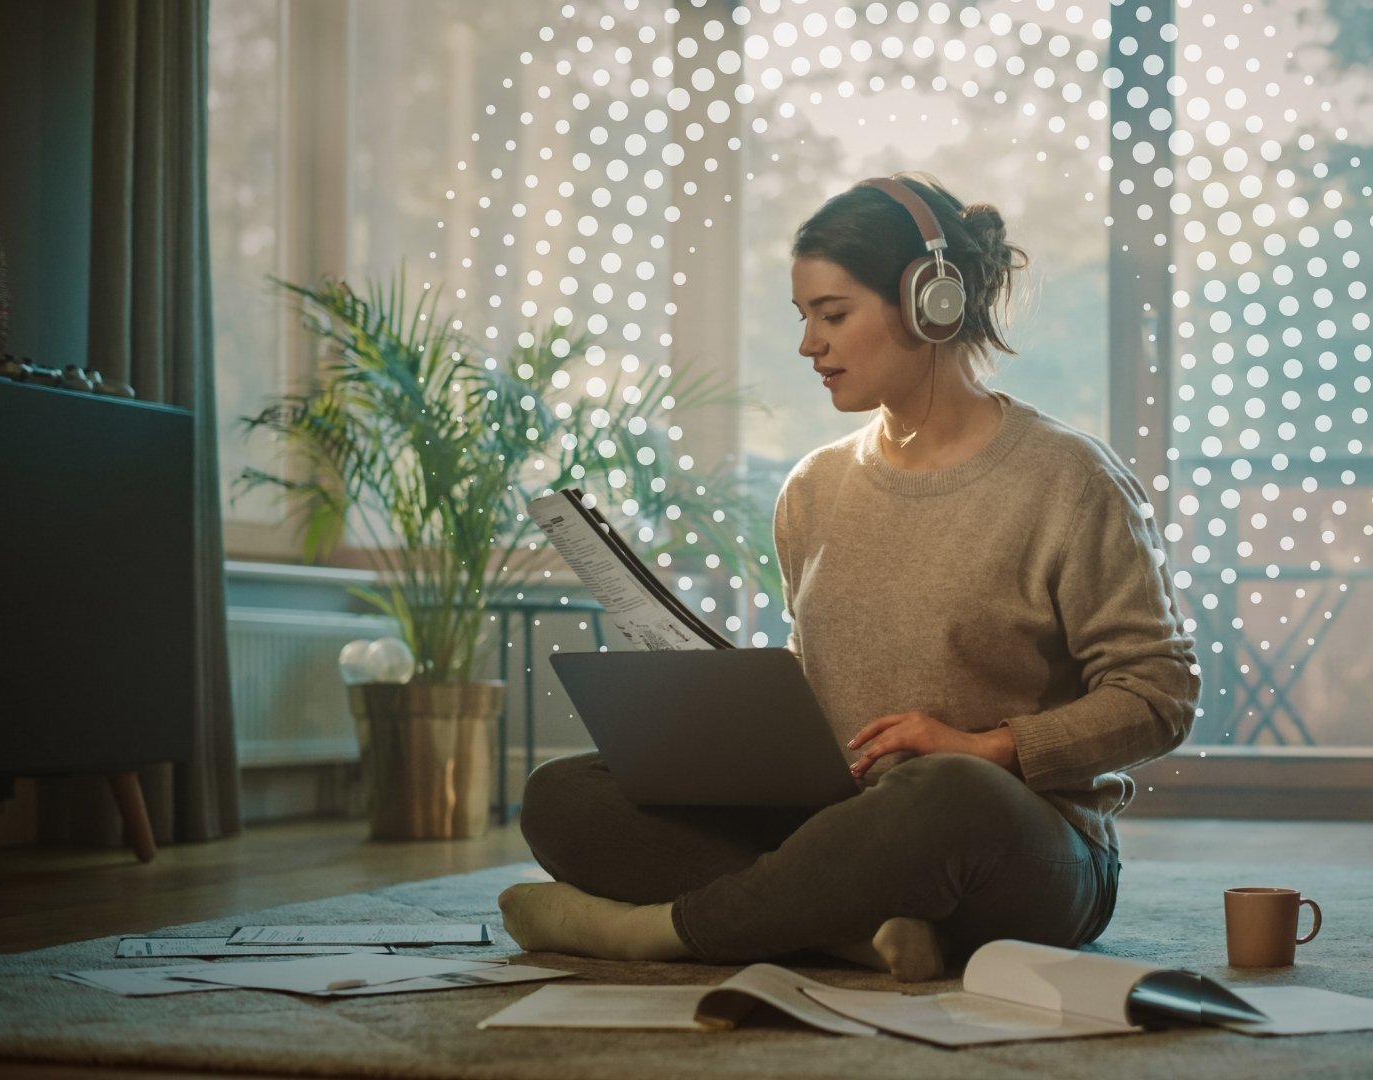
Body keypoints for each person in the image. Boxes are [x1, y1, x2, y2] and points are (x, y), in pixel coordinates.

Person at [499, 173, 1198, 981]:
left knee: (945, 794)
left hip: (1015, 843)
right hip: (840, 828)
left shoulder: (1069, 480)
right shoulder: (813, 489)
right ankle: (848, 933)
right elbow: (824, 682)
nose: (809, 345)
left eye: (832, 315)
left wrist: (985, 748)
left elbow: (1159, 693)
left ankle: (663, 931)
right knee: (564, 796)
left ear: (931, 301)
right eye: (803, 319)